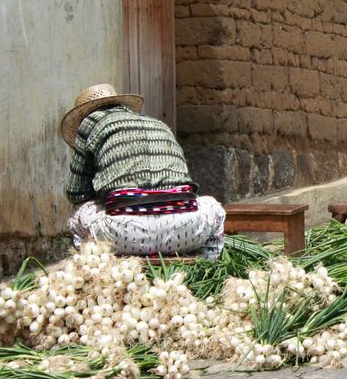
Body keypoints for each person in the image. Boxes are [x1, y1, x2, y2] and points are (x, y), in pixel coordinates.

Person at [60, 84, 227, 259]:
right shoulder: (158, 124)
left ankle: (91, 272)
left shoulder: (89, 123)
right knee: (213, 206)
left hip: (123, 236)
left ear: (85, 114)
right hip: (187, 231)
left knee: (79, 212)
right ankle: (206, 267)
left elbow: (76, 193)